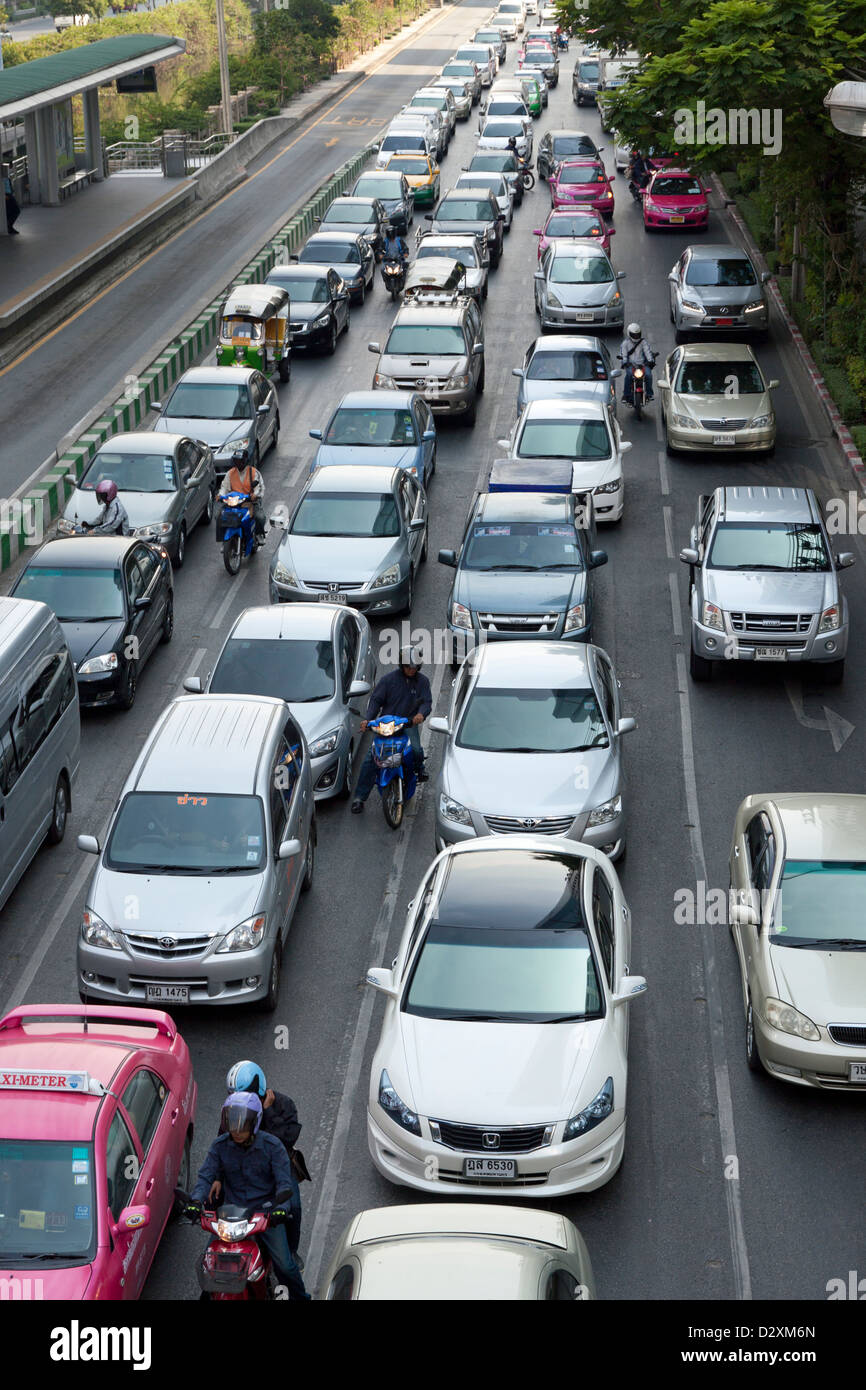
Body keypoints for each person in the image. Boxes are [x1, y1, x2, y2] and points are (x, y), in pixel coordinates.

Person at [190, 1092, 309, 1300]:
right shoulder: (219, 1146)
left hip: (265, 1215)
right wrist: (195, 1201)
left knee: (286, 1265)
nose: (237, 1131)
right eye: (233, 1124)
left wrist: (281, 1208)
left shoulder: (273, 1146)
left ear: (254, 1123)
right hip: (231, 1216)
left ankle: (302, 1298)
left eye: (242, 1125)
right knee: (209, 1265)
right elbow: (205, 1175)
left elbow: (284, 1182)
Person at [224, 1060, 310, 1255]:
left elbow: (285, 1140)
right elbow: (223, 1140)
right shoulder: (234, 1108)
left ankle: (292, 1251)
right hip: (244, 1166)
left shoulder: (283, 1104)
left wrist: (267, 1111)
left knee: (293, 1208)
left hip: (278, 1166)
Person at [351, 645, 431, 814]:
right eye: (408, 666)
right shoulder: (387, 680)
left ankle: (419, 769)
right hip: (386, 726)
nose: (411, 670)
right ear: (402, 665)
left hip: (407, 724)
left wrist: (420, 715)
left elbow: (426, 702)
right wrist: (368, 719)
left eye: (414, 667)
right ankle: (359, 797)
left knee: (416, 751)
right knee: (370, 760)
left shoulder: (423, 681)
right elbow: (375, 701)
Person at [218, 453, 265, 539]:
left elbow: (260, 488)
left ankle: (258, 534)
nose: (238, 463)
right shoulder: (230, 473)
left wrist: (255, 495)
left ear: (245, 461)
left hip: (250, 502)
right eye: (236, 461)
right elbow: (224, 487)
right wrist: (220, 495)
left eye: (240, 461)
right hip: (234, 503)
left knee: (260, 517)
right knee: (220, 516)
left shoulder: (254, 472)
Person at [619, 322, 656, 403]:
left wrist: (650, 361)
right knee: (628, 376)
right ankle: (626, 395)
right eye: (634, 334)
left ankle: (650, 394)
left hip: (642, 365)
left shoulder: (643, 342)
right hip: (631, 365)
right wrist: (625, 362)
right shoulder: (625, 343)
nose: (636, 336)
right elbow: (623, 354)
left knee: (648, 375)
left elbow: (647, 352)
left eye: (637, 334)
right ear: (629, 334)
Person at [3, 165, 20, 236]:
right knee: (15, 210)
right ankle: (8, 226)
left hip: (9, 195)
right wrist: (4, 195)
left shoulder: (7, 177)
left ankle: (9, 226)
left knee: (13, 211)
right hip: (6, 195)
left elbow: (9, 186)